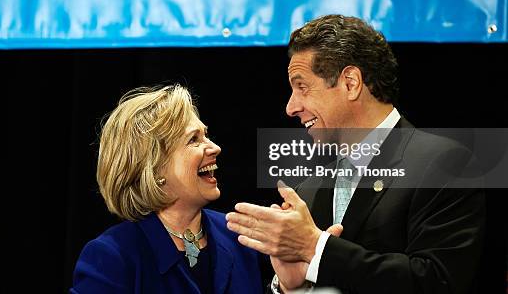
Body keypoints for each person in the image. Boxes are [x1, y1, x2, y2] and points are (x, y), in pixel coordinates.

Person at [226, 15, 485, 293]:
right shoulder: (308, 189)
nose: (291, 107)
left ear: (351, 83)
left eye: (302, 87)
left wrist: (316, 249)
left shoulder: (446, 162)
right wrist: (290, 286)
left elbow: (436, 281)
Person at [71, 85, 263, 293]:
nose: (215, 148)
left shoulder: (239, 236)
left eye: (206, 135)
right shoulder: (111, 258)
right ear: (153, 168)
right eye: (193, 139)